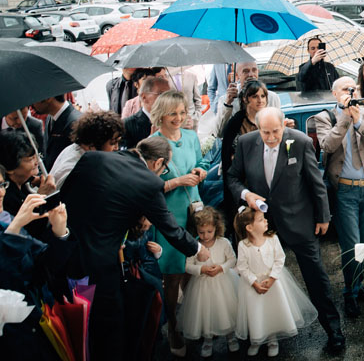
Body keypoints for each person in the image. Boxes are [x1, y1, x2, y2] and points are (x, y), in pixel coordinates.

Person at [61, 136, 208, 361]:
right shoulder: (149, 183)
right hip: (103, 260)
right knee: (111, 323)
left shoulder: (94, 158)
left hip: (65, 246)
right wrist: (198, 249)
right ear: (158, 163)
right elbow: (170, 229)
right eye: (165, 168)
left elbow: (69, 195)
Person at [226, 107, 345, 353]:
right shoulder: (246, 143)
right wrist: (246, 194)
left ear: (284, 126)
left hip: (299, 220)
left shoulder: (299, 142)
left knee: (316, 276)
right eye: (265, 132)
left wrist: (323, 217)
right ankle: (259, 331)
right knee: (257, 275)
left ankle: (333, 329)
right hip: (262, 224)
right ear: (257, 129)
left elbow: (316, 181)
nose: (270, 137)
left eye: (275, 131)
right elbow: (232, 177)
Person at [315, 76, 364, 318]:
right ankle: (349, 293)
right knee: (350, 245)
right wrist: (345, 119)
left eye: (353, 88)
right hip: (344, 190)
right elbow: (326, 146)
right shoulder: (325, 117)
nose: (351, 92)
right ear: (335, 94)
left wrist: (358, 121)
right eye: (346, 89)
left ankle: (358, 285)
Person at [150, 90, 210, 355]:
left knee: (193, 272)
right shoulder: (151, 142)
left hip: (194, 210)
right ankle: (173, 326)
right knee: (173, 274)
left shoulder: (190, 136)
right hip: (169, 215)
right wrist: (176, 182)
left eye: (182, 112)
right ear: (161, 114)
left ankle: (192, 321)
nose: (179, 118)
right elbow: (147, 186)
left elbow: (201, 161)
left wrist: (201, 170)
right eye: (173, 113)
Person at [233, 206, 319, 357]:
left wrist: (272, 278)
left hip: (273, 283)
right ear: (249, 227)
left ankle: (273, 339)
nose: (266, 221)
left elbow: (280, 259)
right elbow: (242, 267)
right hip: (253, 285)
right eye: (261, 220)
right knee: (256, 312)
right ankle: (257, 339)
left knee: (271, 310)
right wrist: (253, 282)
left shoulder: (272, 238)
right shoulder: (243, 246)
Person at [0, 186, 74, 360]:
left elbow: (45, 267)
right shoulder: (11, 224)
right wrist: (15, 228)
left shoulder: (5, 221)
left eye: (2, 185)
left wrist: (60, 232)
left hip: (38, 324)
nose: (1, 192)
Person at [180, 206, 240, 357]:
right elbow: (187, 266)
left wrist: (221, 267)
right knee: (206, 312)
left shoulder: (224, 242)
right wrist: (201, 270)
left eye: (209, 232)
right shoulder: (194, 246)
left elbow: (232, 260)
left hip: (223, 283)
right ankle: (208, 339)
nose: (205, 236)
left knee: (226, 309)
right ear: (196, 230)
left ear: (216, 228)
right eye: (201, 232)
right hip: (202, 286)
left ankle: (230, 336)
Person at [221, 80, 269, 231]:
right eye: (255, 96)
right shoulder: (236, 122)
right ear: (245, 98)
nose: (260, 100)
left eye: (263, 96)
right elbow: (230, 155)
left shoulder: (270, 118)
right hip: (244, 182)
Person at [49, 110, 123, 188]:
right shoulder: (76, 172)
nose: (116, 148)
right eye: (112, 143)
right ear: (92, 144)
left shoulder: (77, 151)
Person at [0, 130, 56, 221]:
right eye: (30, 159)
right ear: (10, 168)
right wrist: (40, 197)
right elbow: (29, 228)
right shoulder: (6, 197)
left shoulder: (25, 181)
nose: (36, 162)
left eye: (37, 156)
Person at [215, 61, 281, 136]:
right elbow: (219, 133)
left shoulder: (272, 97)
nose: (251, 75)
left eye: (254, 70)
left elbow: (279, 127)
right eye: (245, 71)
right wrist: (228, 103)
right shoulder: (227, 99)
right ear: (237, 76)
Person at [32, 94, 82, 170]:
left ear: (48, 97)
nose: (31, 105)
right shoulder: (50, 118)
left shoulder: (76, 123)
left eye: (33, 98)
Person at [124, 76, 171, 149]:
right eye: (161, 94)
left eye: (169, 95)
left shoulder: (174, 121)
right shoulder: (127, 125)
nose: (167, 99)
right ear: (144, 97)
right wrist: (149, 142)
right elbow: (123, 156)